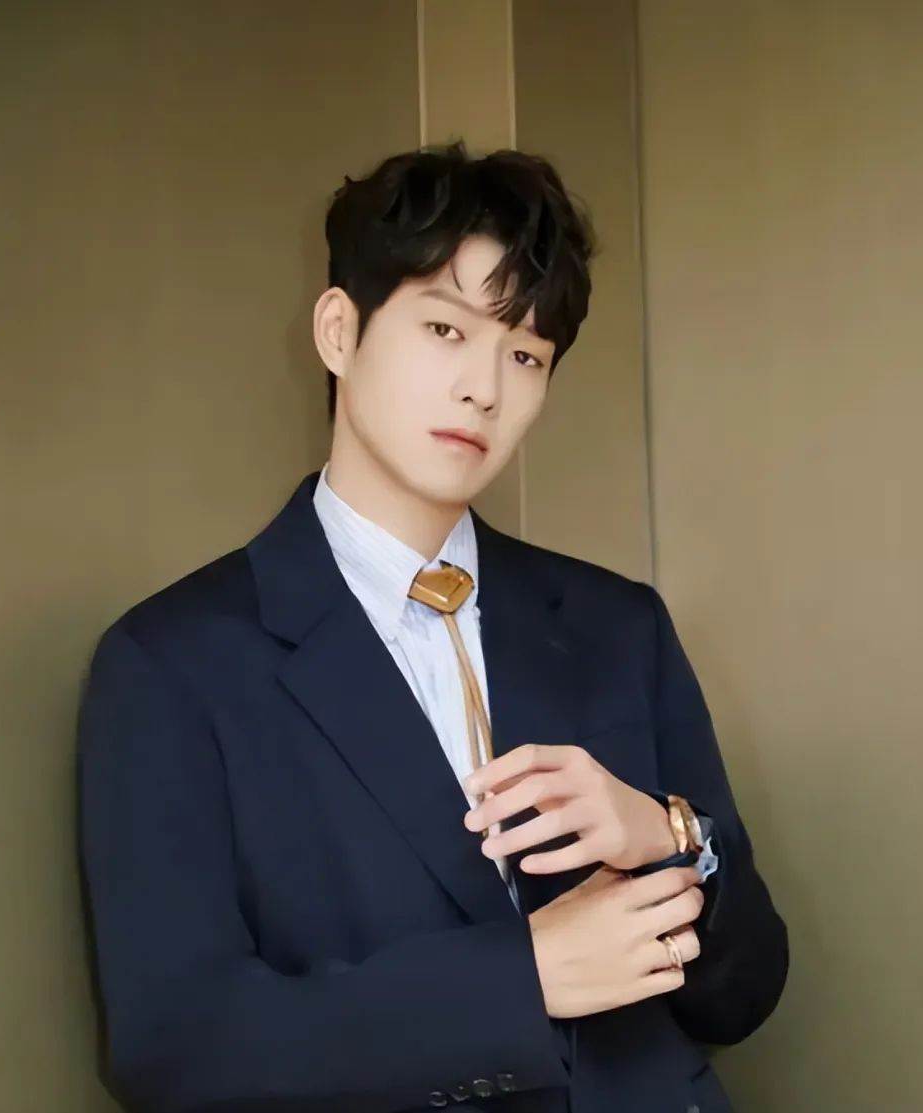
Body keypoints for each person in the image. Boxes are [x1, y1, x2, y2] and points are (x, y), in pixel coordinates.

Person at [77, 139, 788, 1113]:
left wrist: (663, 833)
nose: (485, 388)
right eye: (447, 329)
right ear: (339, 331)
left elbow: (746, 994)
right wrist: (521, 980)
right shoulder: (171, 663)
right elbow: (175, 1048)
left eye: (525, 354)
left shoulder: (620, 624)